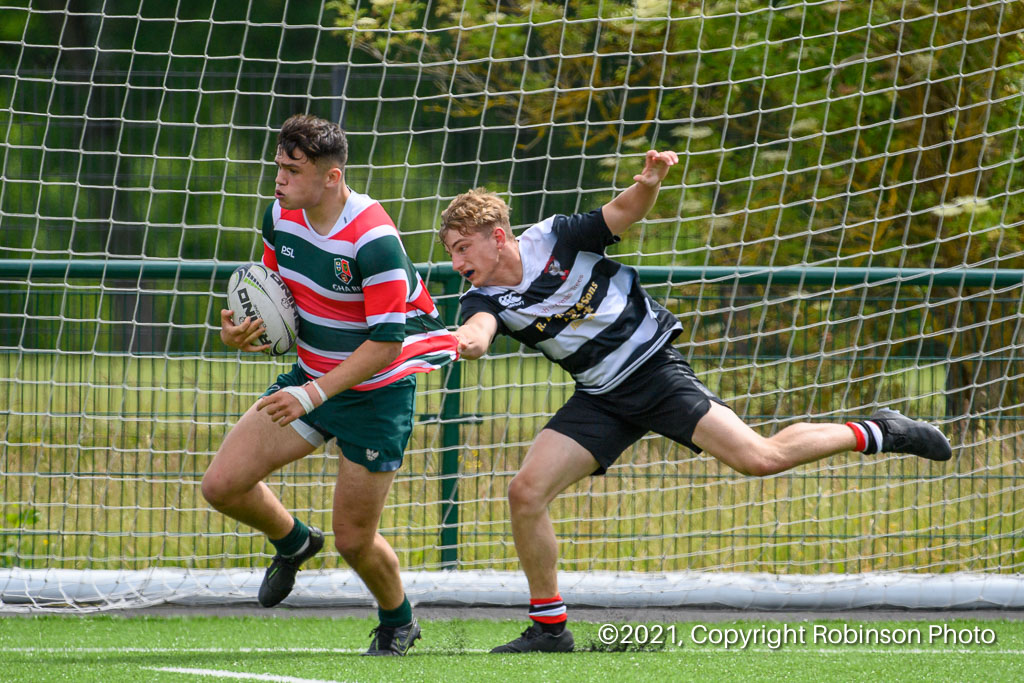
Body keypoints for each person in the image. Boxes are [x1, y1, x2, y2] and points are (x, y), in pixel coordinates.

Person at [439, 149, 953, 654]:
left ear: (498, 237)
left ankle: (882, 430)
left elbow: (622, 213)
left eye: (463, 248)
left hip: (657, 374)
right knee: (526, 493)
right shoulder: (482, 297)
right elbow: (478, 333)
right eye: (452, 252)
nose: (457, 262)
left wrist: (648, 184)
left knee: (760, 458)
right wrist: (461, 342)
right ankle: (550, 630)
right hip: (601, 397)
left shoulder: (556, 237)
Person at [204, 114, 458, 656]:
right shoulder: (279, 215)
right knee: (221, 486)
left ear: (332, 177)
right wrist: (241, 329)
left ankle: (398, 621)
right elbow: (272, 290)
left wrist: (312, 394)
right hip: (311, 380)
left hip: (375, 396)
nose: (279, 180)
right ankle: (295, 542)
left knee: (354, 539)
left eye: (292, 171)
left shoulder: (374, 239)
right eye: (278, 166)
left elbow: (386, 343)